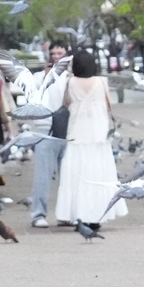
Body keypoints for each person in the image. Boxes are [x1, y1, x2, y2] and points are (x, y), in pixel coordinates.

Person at [52, 49, 125, 228]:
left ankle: (80, 216)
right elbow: (109, 106)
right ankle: (97, 216)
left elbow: (65, 104)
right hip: (98, 135)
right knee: (99, 174)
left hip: (77, 134)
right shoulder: (102, 82)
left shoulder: (70, 82)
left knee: (77, 177)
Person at [23, 42, 71, 228]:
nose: (56, 56)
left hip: (66, 130)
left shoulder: (70, 77)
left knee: (67, 176)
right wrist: (46, 75)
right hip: (45, 129)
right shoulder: (38, 77)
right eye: (53, 53)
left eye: (60, 53)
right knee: (43, 175)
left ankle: (66, 213)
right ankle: (38, 214)